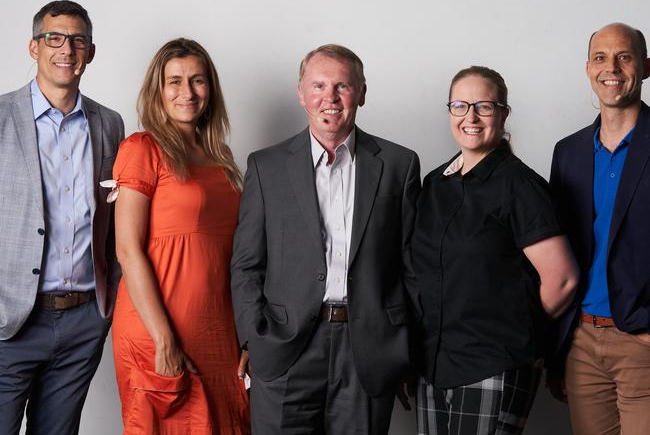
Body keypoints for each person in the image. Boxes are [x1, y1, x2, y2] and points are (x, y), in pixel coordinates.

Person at [230, 44, 421, 434]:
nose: (329, 98)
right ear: (301, 94)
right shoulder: (265, 167)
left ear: (362, 93)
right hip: (286, 348)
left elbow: (412, 266)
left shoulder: (399, 165)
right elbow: (246, 264)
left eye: (342, 86)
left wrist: (404, 349)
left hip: (367, 349)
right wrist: (256, 338)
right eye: (318, 86)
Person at [412, 66, 578, 435]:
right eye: (460, 105)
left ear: (503, 114)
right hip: (434, 365)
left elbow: (563, 279)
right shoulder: (435, 184)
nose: (470, 116)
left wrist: (519, 335)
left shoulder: (520, 186)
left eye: (484, 106)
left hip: (493, 363)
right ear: (450, 112)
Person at [111, 38, 250, 434]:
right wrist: (163, 339)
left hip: (218, 329)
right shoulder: (143, 148)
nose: (187, 92)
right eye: (174, 81)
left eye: (197, 81)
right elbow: (127, 249)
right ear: (158, 89)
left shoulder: (220, 156)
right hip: (159, 328)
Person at [0, 0, 124, 434]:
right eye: (54, 38)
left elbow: (113, 217)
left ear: (90, 53)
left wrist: (106, 310)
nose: (66, 49)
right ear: (34, 47)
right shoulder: (0, 117)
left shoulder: (109, 124)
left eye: (78, 40)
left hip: (82, 321)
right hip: (9, 323)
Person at [548, 23, 650, 435]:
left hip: (641, 340)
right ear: (588, 68)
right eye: (600, 57)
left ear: (645, 67)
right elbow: (558, 250)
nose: (612, 68)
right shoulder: (568, 151)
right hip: (582, 343)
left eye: (624, 57)